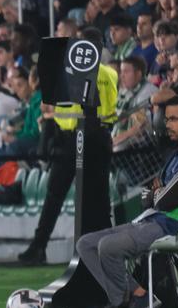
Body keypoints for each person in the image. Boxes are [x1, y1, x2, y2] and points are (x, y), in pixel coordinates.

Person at [76, 94, 178, 308]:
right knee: (86, 244)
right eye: (167, 119)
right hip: (154, 221)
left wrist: (156, 195)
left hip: (176, 228)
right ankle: (127, 300)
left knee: (108, 247)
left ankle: (138, 299)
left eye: (174, 119)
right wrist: (156, 195)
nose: (167, 124)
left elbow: (163, 200)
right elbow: (152, 195)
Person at [19, 28, 118, 265]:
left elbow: (57, 106)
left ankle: (39, 246)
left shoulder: (70, 71)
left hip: (72, 139)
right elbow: (111, 110)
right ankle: (105, 250)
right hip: (98, 137)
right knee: (100, 200)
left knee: (55, 195)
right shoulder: (110, 74)